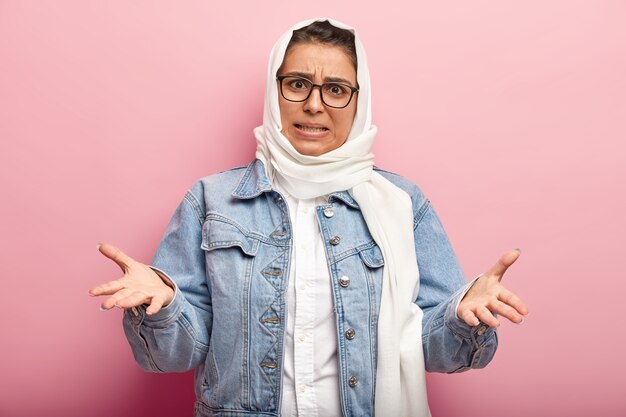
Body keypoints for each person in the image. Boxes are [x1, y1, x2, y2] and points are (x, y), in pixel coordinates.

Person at [89, 18, 528, 417]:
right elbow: (174, 355)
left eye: (336, 89)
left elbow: (432, 348)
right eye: (297, 83)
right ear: (273, 90)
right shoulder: (211, 201)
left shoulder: (401, 203)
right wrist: (160, 307)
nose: (315, 105)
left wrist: (460, 315)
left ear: (360, 100)